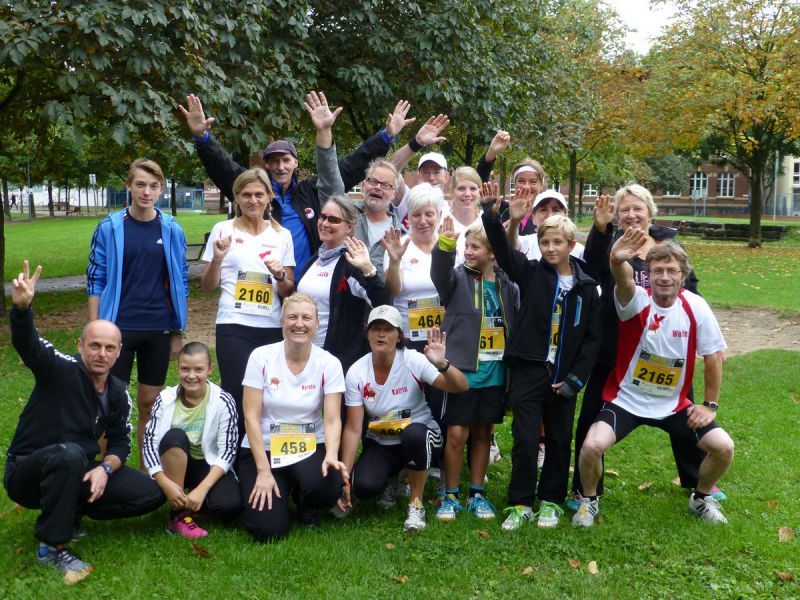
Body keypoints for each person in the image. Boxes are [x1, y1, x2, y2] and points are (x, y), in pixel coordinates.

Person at [5, 261, 164, 585]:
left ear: (118, 352)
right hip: (27, 473)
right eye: (94, 345)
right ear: (80, 346)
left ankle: (71, 510)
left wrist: (104, 469)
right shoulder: (59, 369)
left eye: (109, 348)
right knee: (71, 454)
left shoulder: (117, 393)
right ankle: (52, 546)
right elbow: (29, 345)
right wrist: (22, 310)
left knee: (150, 493)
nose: (101, 353)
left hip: (75, 468)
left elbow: (120, 443)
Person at [573, 233, 734, 527]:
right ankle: (588, 501)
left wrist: (709, 405)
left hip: (673, 405)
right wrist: (616, 259)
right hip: (627, 401)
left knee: (724, 447)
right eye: (657, 270)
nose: (664, 277)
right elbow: (623, 279)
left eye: (672, 270)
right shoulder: (636, 300)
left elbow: (713, 356)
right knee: (591, 446)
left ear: (683, 276)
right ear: (647, 274)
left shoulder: (695, 306)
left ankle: (700, 498)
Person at [181, 92, 414, 273]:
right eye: (274, 161)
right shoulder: (256, 193)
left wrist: (386, 136)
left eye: (286, 160)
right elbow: (223, 168)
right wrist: (203, 138)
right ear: (267, 165)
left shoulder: (312, 190)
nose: (280, 166)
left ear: (295, 163)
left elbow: (351, 165)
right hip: (265, 282)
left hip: (306, 282)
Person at [481, 191, 602, 531]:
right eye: (545, 242)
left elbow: (592, 340)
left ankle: (550, 500)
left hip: (564, 376)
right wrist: (494, 216)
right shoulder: (532, 272)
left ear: (571, 245)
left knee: (560, 440)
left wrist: (576, 379)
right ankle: (521, 502)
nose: (550, 248)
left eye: (557, 242)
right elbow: (504, 252)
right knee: (525, 439)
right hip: (529, 370)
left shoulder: (587, 287)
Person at [86, 158, 188, 470]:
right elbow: (96, 278)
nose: (146, 192)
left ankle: (146, 473)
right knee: (107, 404)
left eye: (153, 186)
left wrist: (178, 331)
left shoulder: (171, 229)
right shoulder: (110, 228)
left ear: (161, 189)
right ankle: (101, 473)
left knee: (149, 404)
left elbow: (181, 279)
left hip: (157, 328)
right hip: (117, 328)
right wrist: (95, 328)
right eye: (140, 184)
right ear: (128, 185)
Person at [339, 307, 468, 532]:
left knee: (414, 434)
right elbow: (352, 428)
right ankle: (393, 479)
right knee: (365, 486)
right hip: (383, 441)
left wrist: (442, 364)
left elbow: (460, 386)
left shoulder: (412, 360)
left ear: (399, 336)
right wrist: (345, 479)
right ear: (367, 334)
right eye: (375, 329)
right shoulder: (357, 371)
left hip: (422, 436)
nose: (381, 334)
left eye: (388, 329)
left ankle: (416, 504)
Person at [238, 293, 349, 541]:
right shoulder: (261, 357)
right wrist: (263, 470)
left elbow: (332, 419)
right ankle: (275, 487)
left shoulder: (329, 363)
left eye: (306, 318)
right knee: (269, 532)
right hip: (264, 448)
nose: (299, 324)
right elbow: (251, 417)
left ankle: (303, 499)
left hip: (308, 445)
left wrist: (331, 455)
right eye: (292, 317)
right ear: (282, 321)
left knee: (328, 487)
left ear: (317, 323)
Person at [431, 218, 519, 522]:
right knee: (457, 433)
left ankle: (477, 493)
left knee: (483, 432)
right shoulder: (456, 278)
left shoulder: (508, 285)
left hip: (495, 371)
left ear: (492, 253)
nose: (468, 251)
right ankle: (451, 495)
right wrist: (445, 246)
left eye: (475, 247)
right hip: (463, 371)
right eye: (466, 246)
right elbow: (438, 274)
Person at [200, 168, 295, 432]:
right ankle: (235, 450)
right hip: (234, 325)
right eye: (246, 195)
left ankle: (262, 449)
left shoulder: (282, 235)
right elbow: (207, 286)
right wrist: (217, 259)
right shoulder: (223, 230)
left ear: (269, 197)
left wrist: (280, 276)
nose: (253, 200)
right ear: (237, 198)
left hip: (271, 326)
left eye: (259, 194)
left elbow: (288, 290)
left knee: (270, 394)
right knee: (236, 391)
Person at [142, 342, 240, 539]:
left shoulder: (223, 401)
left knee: (229, 506)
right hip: (174, 463)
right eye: (185, 369)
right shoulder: (165, 399)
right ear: (177, 368)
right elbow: (149, 444)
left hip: (206, 463)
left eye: (198, 369)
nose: (191, 375)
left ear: (210, 369)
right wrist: (163, 481)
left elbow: (228, 451)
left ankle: (196, 498)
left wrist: (203, 489)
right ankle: (178, 516)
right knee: (175, 436)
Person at [295, 194, 388, 374]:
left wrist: (369, 270)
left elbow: (382, 303)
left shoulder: (352, 264)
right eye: (322, 217)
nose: (325, 223)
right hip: (303, 355)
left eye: (334, 220)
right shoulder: (315, 258)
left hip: (336, 362)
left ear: (349, 227)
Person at [353, 159, 405, 278]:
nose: (378, 187)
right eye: (373, 181)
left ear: (394, 194)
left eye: (386, 185)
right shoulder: (346, 215)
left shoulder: (401, 235)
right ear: (363, 185)